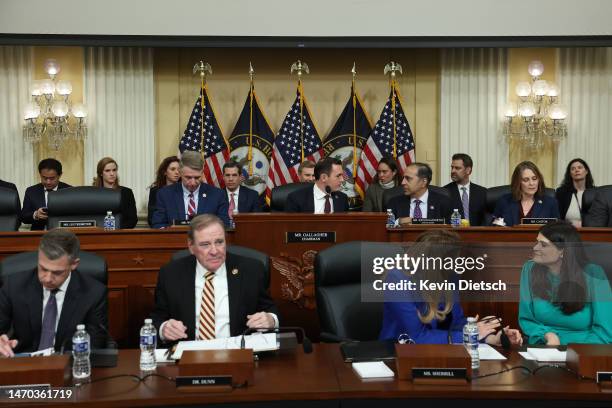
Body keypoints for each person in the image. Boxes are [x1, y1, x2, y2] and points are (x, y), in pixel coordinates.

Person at [379, 230, 523, 345]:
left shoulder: (450, 276)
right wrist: (470, 335)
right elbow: (416, 336)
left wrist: (490, 337)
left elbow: (456, 323)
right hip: (398, 353)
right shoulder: (397, 280)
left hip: (438, 352)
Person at [150, 214, 278, 342]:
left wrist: (271, 320)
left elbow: (270, 310)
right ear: (191, 246)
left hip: (238, 353)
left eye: (219, 242)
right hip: (188, 354)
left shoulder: (251, 269)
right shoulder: (171, 273)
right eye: (205, 244)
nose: (214, 251)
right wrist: (164, 328)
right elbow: (157, 318)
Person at [0, 228, 108, 357]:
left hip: (69, 364)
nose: (47, 278)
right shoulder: (13, 285)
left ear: (74, 264)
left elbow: (96, 342)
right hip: (24, 364)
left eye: (57, 272)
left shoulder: (94, 293)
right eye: (43, 269)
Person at [519, 221, 612, 345]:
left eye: (543, 245)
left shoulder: (594, 274)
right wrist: (547, 335)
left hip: (584, 350)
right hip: (543, 346)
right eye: (537, 242)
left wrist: (570, 351)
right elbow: (527, 320)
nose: (535, 248)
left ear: (563, 251)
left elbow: (604, 332)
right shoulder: (529, 269)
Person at [151, 151, 230, 228]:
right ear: (180, 173)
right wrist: (172, 229)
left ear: (202, 172)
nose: (192, 183)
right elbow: (157, 224)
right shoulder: (165, 195)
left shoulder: (217, 195)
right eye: (188, 177)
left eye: (197, 178)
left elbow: (224, 225)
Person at [492, 161, 560, 226]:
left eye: (534, 178)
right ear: (518, 182)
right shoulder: (504, 201)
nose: (531, 183)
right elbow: (493, 228)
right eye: (526, 180)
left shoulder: (550, 203)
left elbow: (557, 230)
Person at [387, 162, 453, 224]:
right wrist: (399, 221)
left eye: (408, 178)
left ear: (424, 182)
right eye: (403, 178)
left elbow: (451, 227)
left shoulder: (443, 202)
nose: (403, 182)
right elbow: (386, 226)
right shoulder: (394, 202)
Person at [21, 158, 71, 231]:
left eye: (52, 178)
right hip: (38, 235)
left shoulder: (69, 191)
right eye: (44, 178)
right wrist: (36, 215)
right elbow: (23, 217)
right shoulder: (31, 191)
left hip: (63, 234)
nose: (48, 182)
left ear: (60, 175)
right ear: (40, 175)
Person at [285, 157, 349, 213]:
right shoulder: (296, 198)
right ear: (324, 177)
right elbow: (290, 226)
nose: (342, 180)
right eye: (338, 176)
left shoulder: (342, 198)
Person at [92, 157, 138, 229]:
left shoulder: (127, 192)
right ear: (101, 173)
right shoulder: (93, 193)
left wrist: (117, 229)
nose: (112, 173)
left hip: (121, 233)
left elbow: (132, 219)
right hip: (99, 233)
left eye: (114, 170)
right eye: (107, 171)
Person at [443, 153, 487, 226]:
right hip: (453, 235)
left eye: (457, 168)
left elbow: (485, 220)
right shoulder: (444, 192)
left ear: (468, 170)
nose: (452, 171)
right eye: (452, 167)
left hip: (477, 234)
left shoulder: (482, 192)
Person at [555, 158, 594, 228]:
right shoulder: (561, 192)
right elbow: (557, 217)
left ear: (586, 171)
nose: (576, 170)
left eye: (580, 167)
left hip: (590, 231)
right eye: (573, 169)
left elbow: (599, 217)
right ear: (570, 174)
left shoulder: (596, 192)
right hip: (567, 231)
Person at [148, 156, 180, 227]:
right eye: (173, 169)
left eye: (179, 169)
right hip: (162, 229)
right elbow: (151, 218)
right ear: (165, 172)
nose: (177, 172)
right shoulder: (156, 191)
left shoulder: (184, 190)